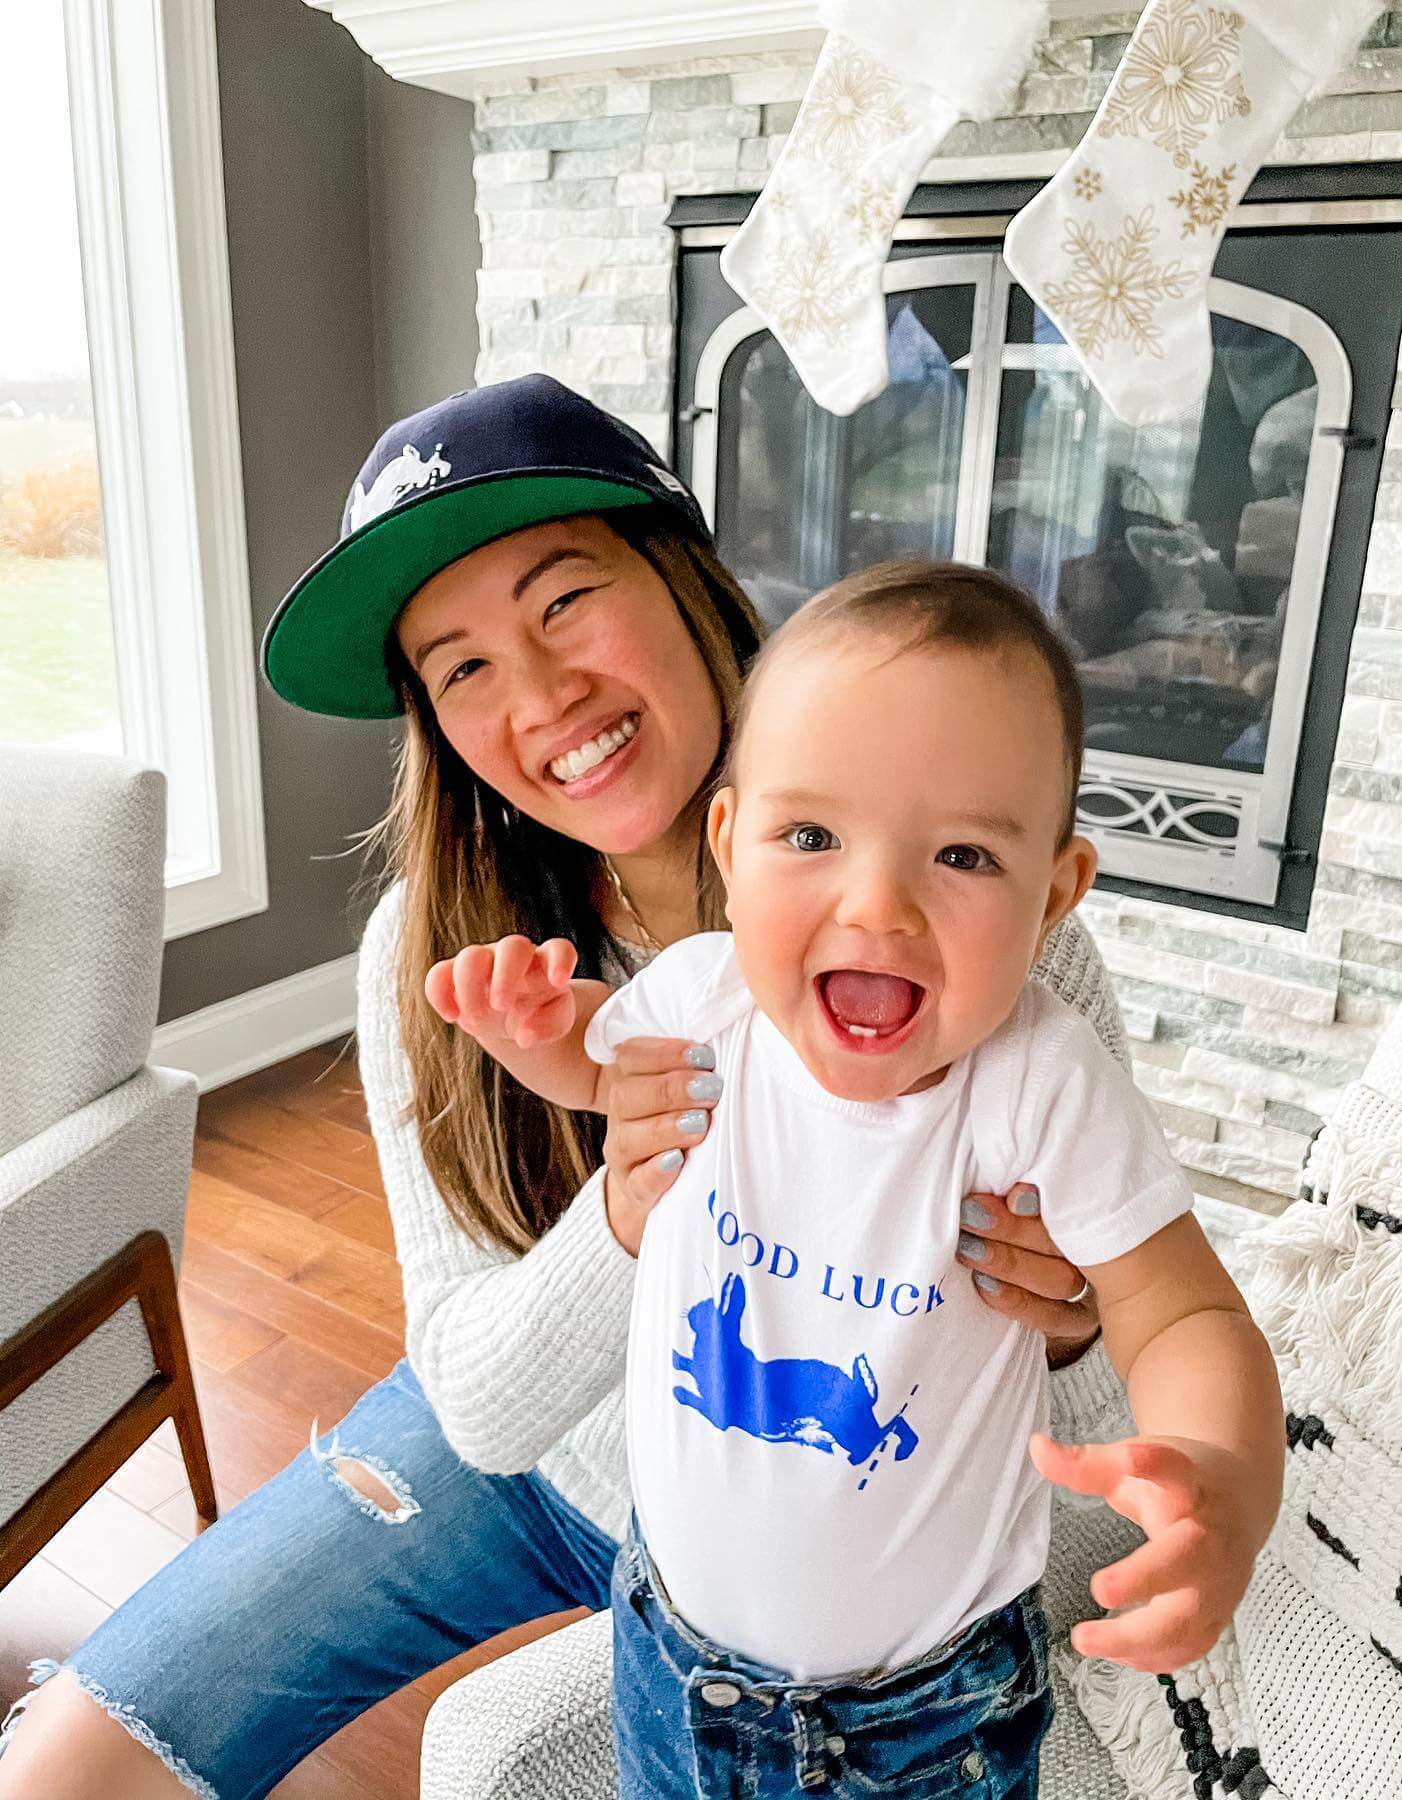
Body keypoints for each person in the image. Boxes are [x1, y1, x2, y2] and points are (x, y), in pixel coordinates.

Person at [1, 379, 1134, 1800]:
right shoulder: (429, 958)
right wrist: (630, 1200)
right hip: (543, 1462)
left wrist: (1081, 1324)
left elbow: (1104, 1414)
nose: (541, 700)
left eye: (564, 603)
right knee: (62, 1767)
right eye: (461, 667)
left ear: (689, 584)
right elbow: (474, 1402)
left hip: (834, 1515)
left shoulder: (957, 918)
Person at [430, 560, 1284, 1798]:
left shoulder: (1038, 1080)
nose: (876, 904)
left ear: (1056, 895)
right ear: (731, 844)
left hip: (925, 1717)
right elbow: (604, 1071)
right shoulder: (701, 999)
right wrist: (538, 1036)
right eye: (812, 836)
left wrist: (1227, 1480)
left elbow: (1184, 1309)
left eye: (964, 858)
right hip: (666, 1650)